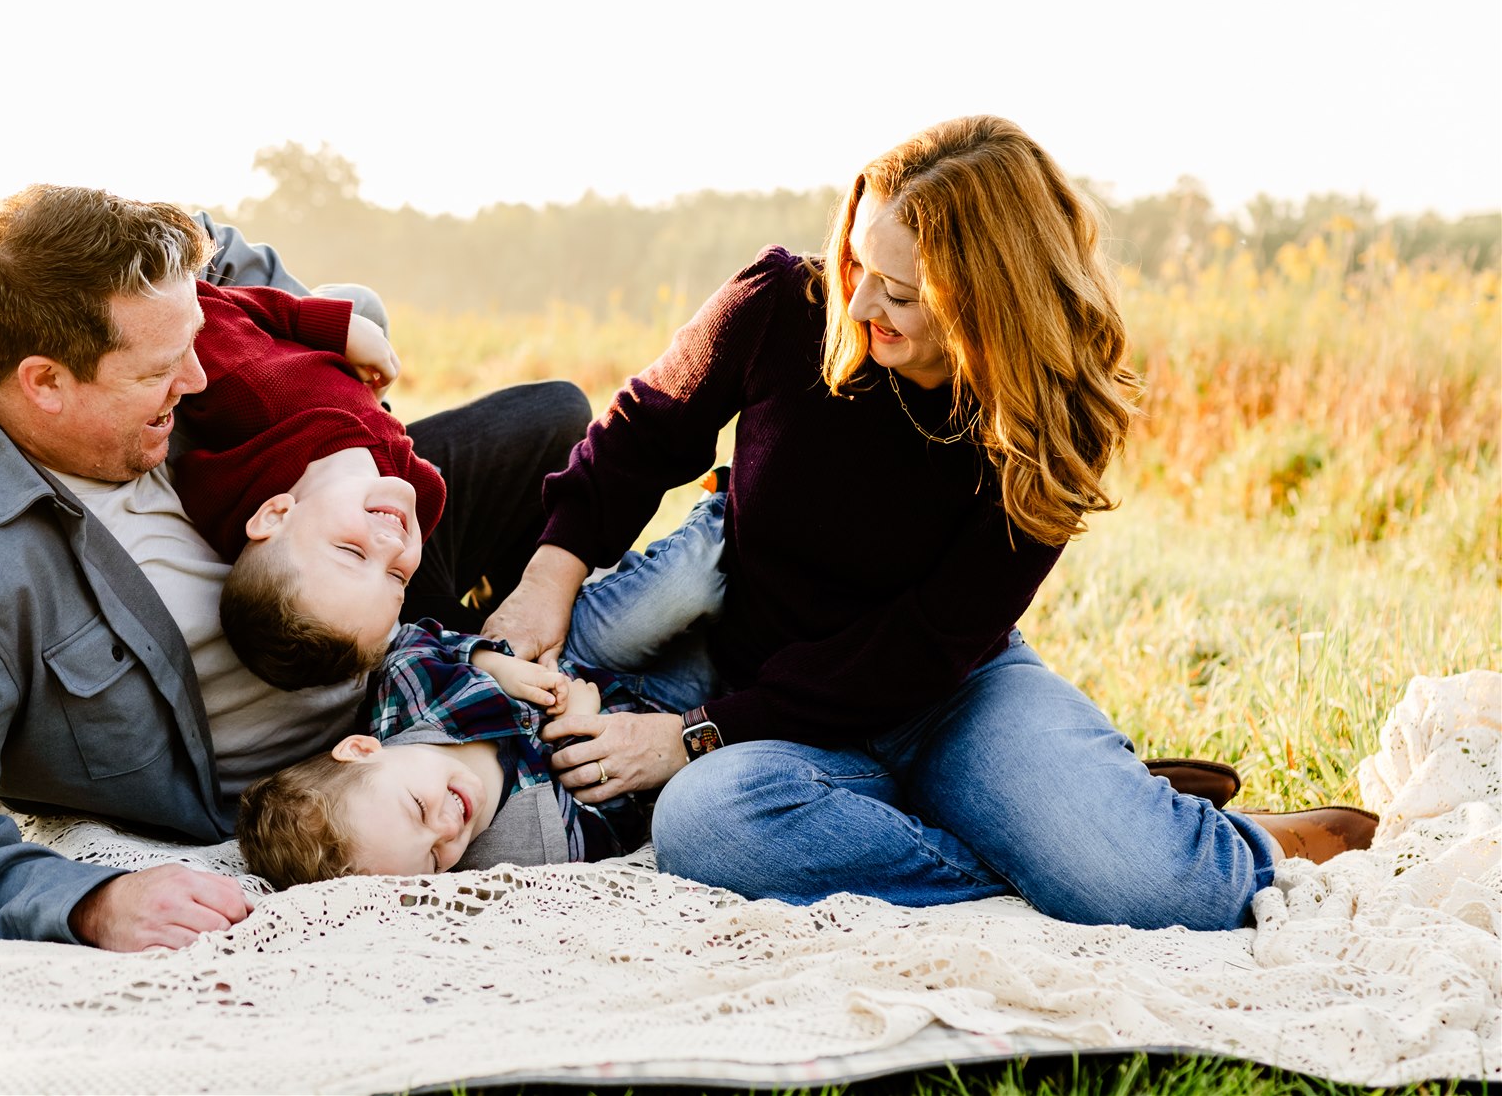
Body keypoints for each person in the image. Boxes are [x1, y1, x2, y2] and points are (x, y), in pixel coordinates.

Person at [481, 115, 1377, 931]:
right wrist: (547, 579)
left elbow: (922, 646)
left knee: (1168, 893)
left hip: (950, 692)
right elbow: (642, 431)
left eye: (901, 292)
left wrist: (692, 735)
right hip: (773, 704)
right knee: (704, 822)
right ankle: (1032, 843)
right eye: (856, 265)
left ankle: (1232, 837)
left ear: (988, 298)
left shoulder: (1051, 424)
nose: (861, 305)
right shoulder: (783, 305)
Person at [0, 185, 591, 950]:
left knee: (553, 423)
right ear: (45, 383)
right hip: (337, 757)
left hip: (362, 575)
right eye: (158, 371)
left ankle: (487, 649)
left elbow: (218, 256)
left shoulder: (84, 286)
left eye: (192, 339)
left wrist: (321, 343)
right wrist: (94, 903)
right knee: (537, 833)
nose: (198, 376)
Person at [237, 488, 727, 886]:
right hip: (663, 710)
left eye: (418, 809)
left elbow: (418, 640)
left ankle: (732, 504)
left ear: (363, 749)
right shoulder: (526, 844)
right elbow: (617, 830)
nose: (448, 829)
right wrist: (586, 729)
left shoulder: (408, 702)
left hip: (577, 649)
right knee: (731, 657)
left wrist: (491, 662)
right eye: (434, 861)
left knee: (687, 586)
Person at [171, 278, 443, 690]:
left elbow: (189, 303)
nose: (392, 547)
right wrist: (373, 402)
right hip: (358, 395)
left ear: (276, 514)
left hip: (287, 338)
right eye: (396, 579)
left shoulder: (253, 386)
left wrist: (328, 326)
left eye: (352, 552)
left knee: (360, 302)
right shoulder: (424, 492)